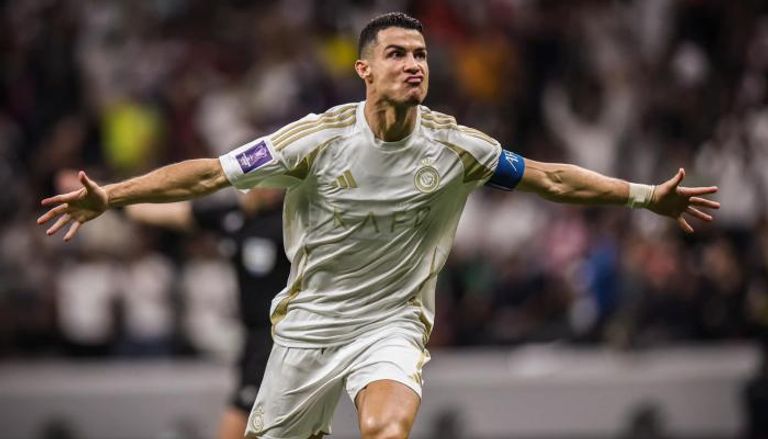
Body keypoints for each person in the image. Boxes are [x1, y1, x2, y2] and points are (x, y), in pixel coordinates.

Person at [38, 12, 720, 439]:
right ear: (364, 69)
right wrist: (113, 196)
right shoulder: (315, 139)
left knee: (386, 430)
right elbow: (208, 176)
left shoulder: (457, 147)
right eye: (396, 54)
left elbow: (552, 179)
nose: (413, 64)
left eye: (420, 54)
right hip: (307, 327)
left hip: (391, 324)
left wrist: (644, 196)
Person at [124, 189, 288, 439]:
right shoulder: (233, 215)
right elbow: (174, 213)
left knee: (241, 422)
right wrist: (109, 198)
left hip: (281, 339)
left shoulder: (294, 217)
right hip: (252, 339)